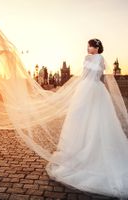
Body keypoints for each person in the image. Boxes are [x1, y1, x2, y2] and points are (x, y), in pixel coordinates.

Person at [45, 38, 128, 199]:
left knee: (88, 120)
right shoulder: (97, 59)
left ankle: (86, 152)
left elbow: (88, 76)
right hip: (95, 90)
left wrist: (78, 90)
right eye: (88, 46)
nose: (88, 48)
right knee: (91, 121)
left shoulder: (92, 58)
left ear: (96, 47)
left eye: (90, 46)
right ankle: (87, 149)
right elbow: (95, 76)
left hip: (89, 89)